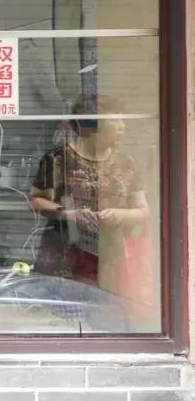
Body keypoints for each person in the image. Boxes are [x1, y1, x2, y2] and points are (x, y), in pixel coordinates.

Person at [29, 98, 149, 298]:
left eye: (123, 120)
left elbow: (143, 211)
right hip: (65, 251)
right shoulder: (58, 159)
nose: (123, 126)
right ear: (92, 126)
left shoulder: (127, 162)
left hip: (110, 255)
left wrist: (119, 215)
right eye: (116, 121)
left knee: (109, 313)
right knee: (62, 314)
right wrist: (69, 214)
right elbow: (36, 200)